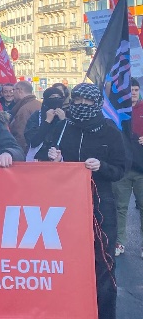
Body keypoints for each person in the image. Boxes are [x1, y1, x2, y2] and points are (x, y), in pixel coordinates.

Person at [42, 83, 127, 319]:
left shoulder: (110, 130)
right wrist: (54, 158)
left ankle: (105, 313)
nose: (81, 105)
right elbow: (46, 154)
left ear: (97, 103)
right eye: (77, 100)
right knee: (66, 260)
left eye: (87, 101)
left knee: (103, 262)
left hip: (100, 204)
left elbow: (120, 169)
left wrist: (102, 166)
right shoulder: (63, 127)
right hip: (66, 204)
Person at [113, 77, 143, 257]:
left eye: (136, 90)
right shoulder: (116, 111)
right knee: (120, 207)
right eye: (130, 90)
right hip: (123, 168)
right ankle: (120, 242)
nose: (133, 93)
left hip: (141, 169)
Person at [23, 86, 67, 161]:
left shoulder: (66, 115)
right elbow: (33, 141)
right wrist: (47, 121)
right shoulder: (37, 116)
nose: (56, 100)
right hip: (38, 160)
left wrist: (64, 121)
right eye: (52, 97)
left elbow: (70, 140)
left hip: (61, 159)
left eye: (59, 97)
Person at [8, 80, 41, 151]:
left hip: (27, 151)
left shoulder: (24, 109)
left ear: (19, 90)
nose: (12, 94)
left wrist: (20, 152)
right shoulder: (39, 104)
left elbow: (20, 134)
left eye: (13, 90)